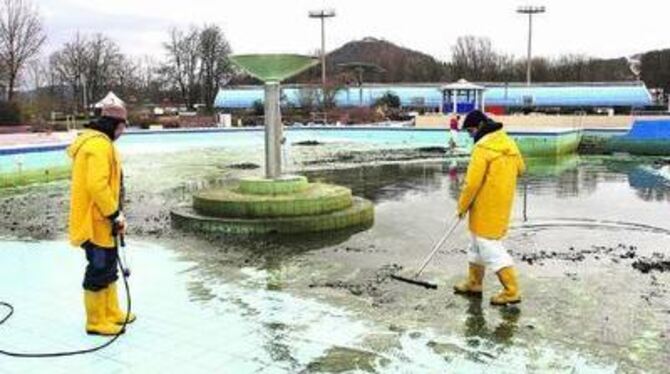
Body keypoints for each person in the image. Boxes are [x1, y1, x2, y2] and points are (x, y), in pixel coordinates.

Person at [67, 103, 136, 335]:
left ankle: (112, 311)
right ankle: (96, 321)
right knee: (98, 269)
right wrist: (114, 213)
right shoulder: (97, 146)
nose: (123, 132)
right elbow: (97, 186)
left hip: (104, 222)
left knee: (109, 265)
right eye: (123, 127)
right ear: (115, 125)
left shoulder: (101, 144)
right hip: (95, 221)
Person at [453, 110, 526, 305]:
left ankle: (511, 291)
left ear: (478, 128)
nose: (470, 135)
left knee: (489, 246)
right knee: (476, 243)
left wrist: (462, 206)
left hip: (485, 204)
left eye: (470, 131)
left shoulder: (482, 148)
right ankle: (474, 282)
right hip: (501, 203)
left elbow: (472, 183)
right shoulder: (508, 142)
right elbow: (521, 169)